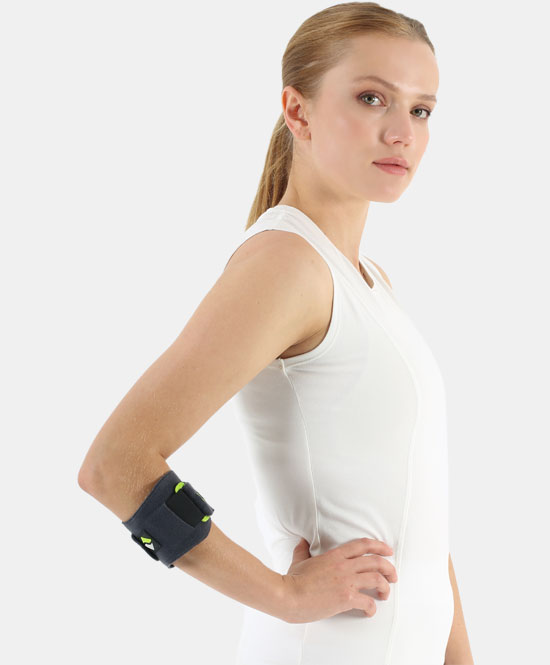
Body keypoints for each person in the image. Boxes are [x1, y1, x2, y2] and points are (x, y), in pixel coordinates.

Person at [78, 2, 474, 664]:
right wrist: (283, 595)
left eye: (421, 109)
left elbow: (419, 524)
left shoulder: (368, 281)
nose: (402, 132)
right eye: (372, 98)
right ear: (298, 111)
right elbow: (114, 466)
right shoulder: (286, 265)